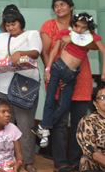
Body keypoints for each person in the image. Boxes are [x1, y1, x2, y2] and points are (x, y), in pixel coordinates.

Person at [40, 0, 94, 172]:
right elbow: (45, 52)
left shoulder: (82, 24)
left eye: (63, 4)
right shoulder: (50, 25)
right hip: (59, 77)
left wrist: (76, 38)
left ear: (71, 7)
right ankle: (60, 163)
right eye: (56, 5)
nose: (59, 8)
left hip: (82, 78)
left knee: (79, 123)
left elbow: (95, 44)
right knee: (61, 122)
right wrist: (53, 73)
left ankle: (75, 161)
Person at [37, 13, 105, 148]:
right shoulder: (64, 32)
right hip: (57, 68)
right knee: (50, 100)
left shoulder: (91, 37)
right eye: (76, 26)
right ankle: (45, 131)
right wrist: (47, 70)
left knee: (63, 106)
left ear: (89, 28)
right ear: (72, 24)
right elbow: (53, 51)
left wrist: (104, 71)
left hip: (71, 75)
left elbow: (103, 51)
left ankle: (43, 125)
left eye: (83, 27)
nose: (78, 30)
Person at [0, 10, 41, 172]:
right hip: (1, 86)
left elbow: (36, 52)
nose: (10, 27)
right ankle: (5, 160)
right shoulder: (1, 37)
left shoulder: (32, 34)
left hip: (23, 88)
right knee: (3, 125)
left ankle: (27, 162)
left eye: (14, 23)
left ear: (21, 23)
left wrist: (20, 53)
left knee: (24, 125)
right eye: (8, 24)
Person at [77, 85, 105, 172]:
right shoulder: (88, 121)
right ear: (95, 103)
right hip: (94, 168)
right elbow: (91, 152)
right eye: (102, 97)